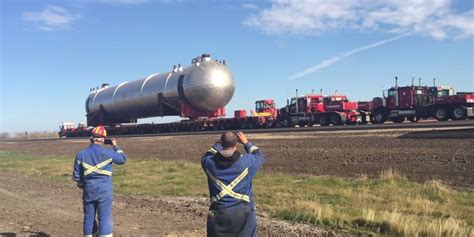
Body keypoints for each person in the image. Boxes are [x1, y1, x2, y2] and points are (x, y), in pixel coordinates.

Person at [201, 131, 265, 237]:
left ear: (222, 144)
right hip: (243, 214)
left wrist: (218, 144)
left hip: (218, 214)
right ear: (236, 144)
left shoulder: (208, 163)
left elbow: (207, 155)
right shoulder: (247, 162)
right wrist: (246, 142)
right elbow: (259, 155)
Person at [73, 126, 127, 237]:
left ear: (91, 138)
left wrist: (83, 185)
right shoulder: (108, 153)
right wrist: (116, 146)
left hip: (89, 189)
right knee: (104, 217)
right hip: (105, 190)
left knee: (89, 217)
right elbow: (122, 159)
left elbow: (76, 176)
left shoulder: (80, 154)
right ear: (103, 139)